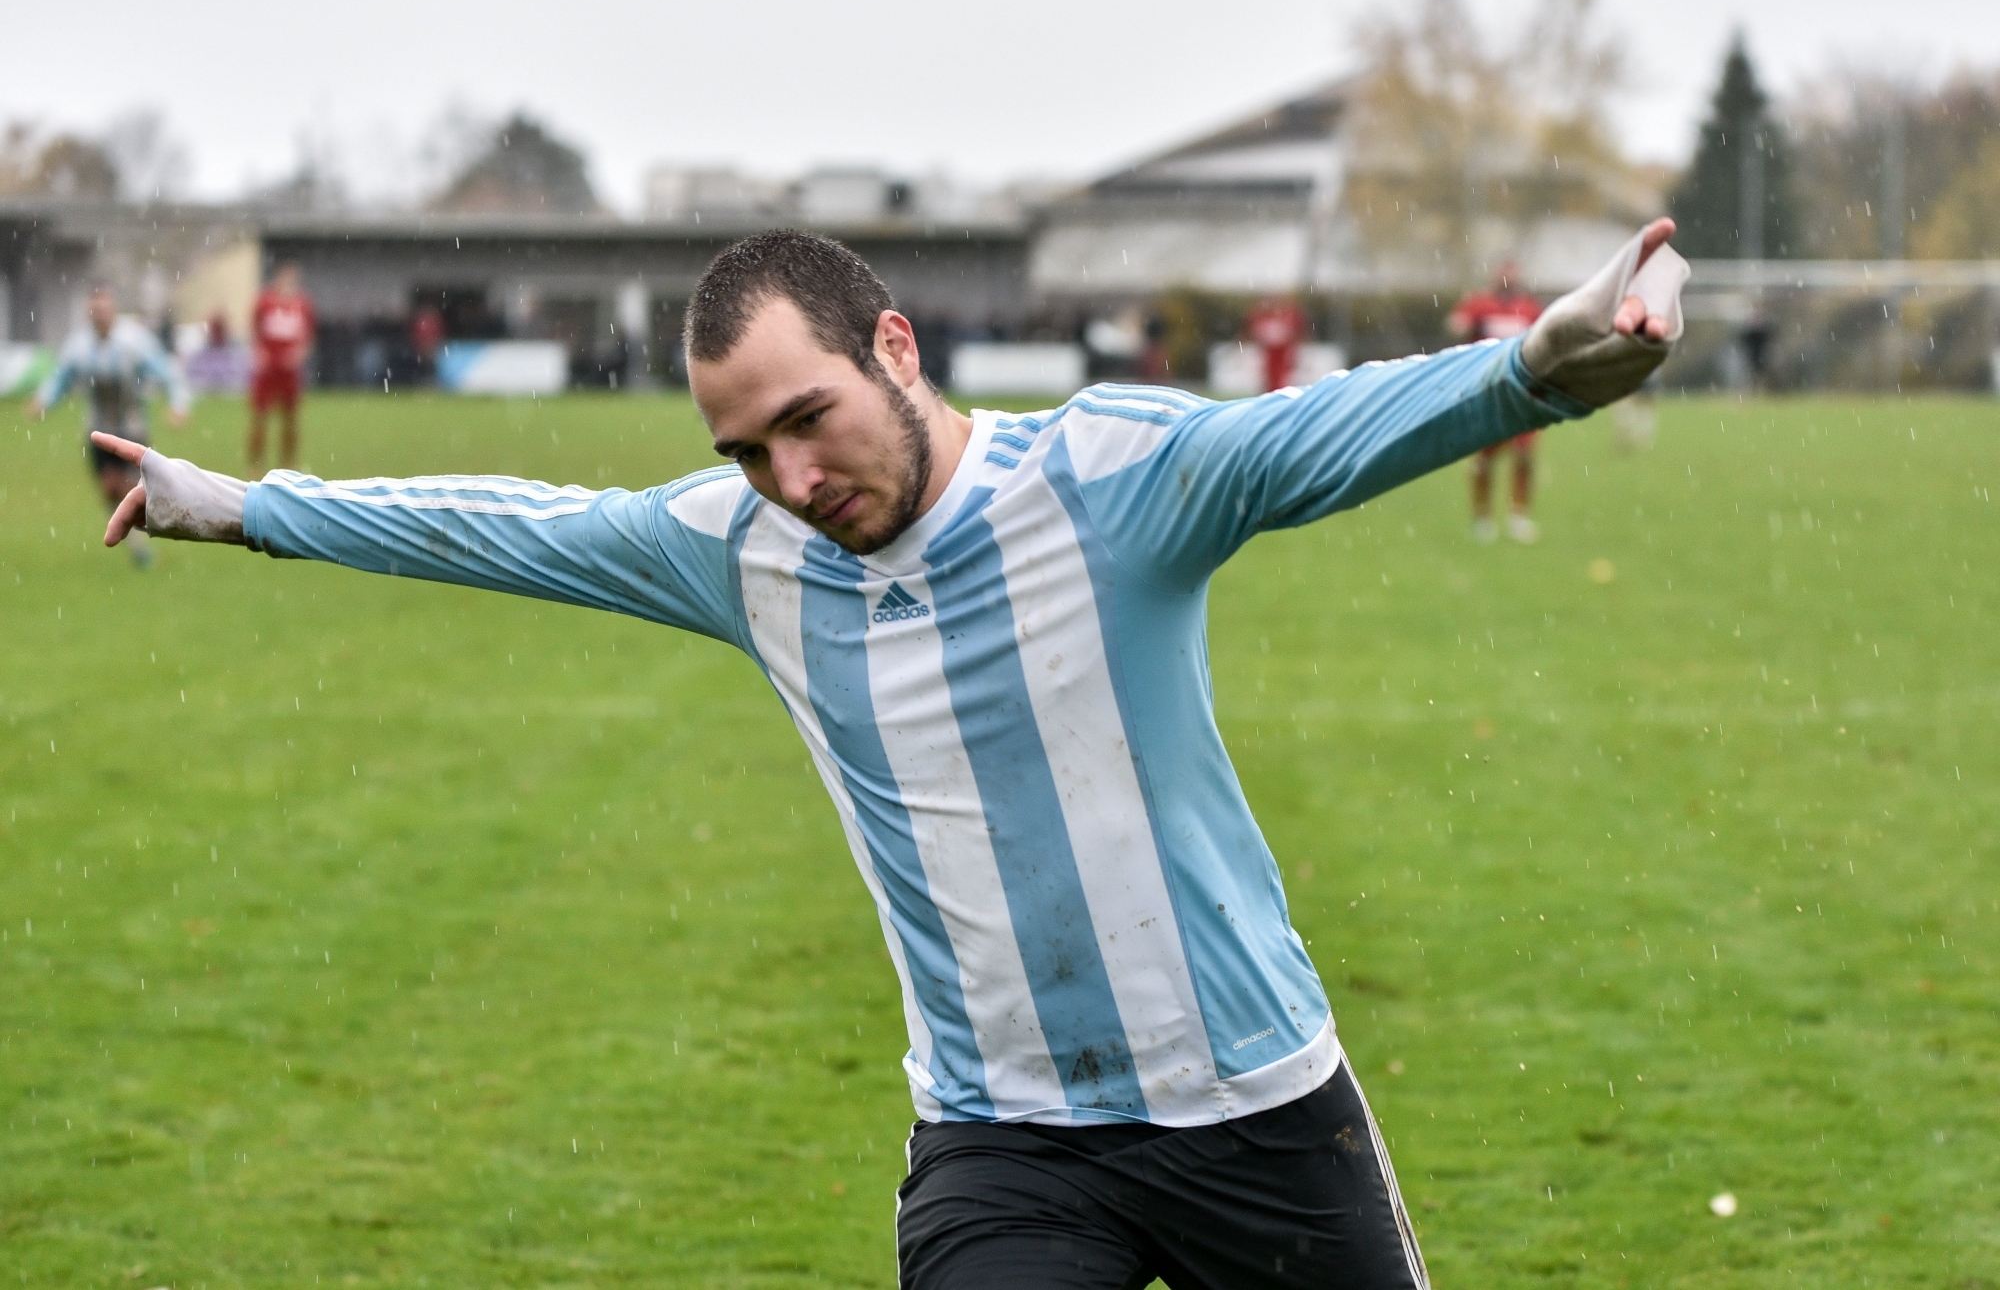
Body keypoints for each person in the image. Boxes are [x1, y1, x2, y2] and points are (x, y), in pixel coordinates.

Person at [98, 220, 1686, 1289]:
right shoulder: (738, 548)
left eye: (809, 419)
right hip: (1002, 1138)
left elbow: (1334, 428)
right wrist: (231, 502)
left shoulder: (1112, 476)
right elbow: (513, 524)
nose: (790, 477)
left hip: (1256, 1109)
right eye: (745, 450)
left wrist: (1540, 366)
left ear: (898, 350)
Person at [28, 283, 189, 568]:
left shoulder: (133, 341)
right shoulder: (79, 346)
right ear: (88, 313)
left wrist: (177, 404)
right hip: (98, 429)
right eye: (94, 310)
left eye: (104, 309)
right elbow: (61, 377)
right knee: (109, 490)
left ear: (113, 310)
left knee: (126, 488)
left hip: (132, 427)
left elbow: (165, 371)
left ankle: (152, 533)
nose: (99, 315)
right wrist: (43, 400)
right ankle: (138, 547)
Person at [1447, 263, 1544, 543]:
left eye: (1512, 272)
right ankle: (1482, 517)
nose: (1507, 278)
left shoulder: (1528, 307)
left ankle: (1519, 515)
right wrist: (1467, 324)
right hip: (1487, 391)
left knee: (1525, 454)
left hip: (1522, 392)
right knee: (1484, 459)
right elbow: (1455, 326)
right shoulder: (1480, 304)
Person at [248, 261, 316, 474]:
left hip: (289, 371)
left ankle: (288, 463)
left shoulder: (303, 304)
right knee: (259, 416)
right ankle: (255, 463)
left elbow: (309, 336)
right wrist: (259, 352)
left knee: (291, 418)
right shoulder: (264, 302)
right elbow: (254, 330)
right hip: (268, 369)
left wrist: (298, 355)